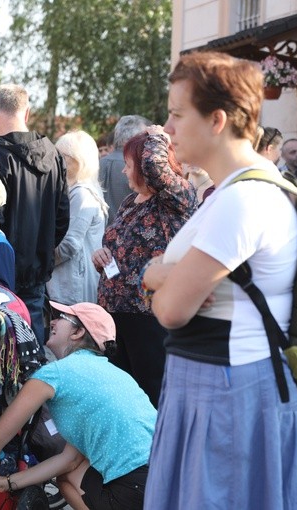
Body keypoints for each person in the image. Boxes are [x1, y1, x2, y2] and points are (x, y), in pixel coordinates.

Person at [141, 51, 297, 509]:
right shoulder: (234, 195)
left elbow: (171, 310)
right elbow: (170, 288)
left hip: (228, 392)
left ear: (217, 119)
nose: (168, 127)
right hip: (215, 386)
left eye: (178, 114)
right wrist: (163, 275)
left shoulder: (245, 201)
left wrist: (158, 275)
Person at [0, 301, 156, 510]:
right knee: (72, 469)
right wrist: (7, 482)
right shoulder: (115, 374)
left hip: (135, 487)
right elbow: (69, 460)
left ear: (78, 332)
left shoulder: (55, 374)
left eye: (61, 318)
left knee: (66, 479)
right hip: (172, 477)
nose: (52, 321)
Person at [91, 127, 196, 408]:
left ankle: (160, 450)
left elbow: (154, 165)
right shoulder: (130, 201)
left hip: (147, 314)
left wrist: (158, 136)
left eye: (128, 165)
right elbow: (118, 246)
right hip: (116, 313)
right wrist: (102, 256)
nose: (124, 173)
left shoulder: (177, 198)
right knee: (123, 395)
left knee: (152, 391)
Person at [0, 83, 70, 347]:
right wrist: (42, 247)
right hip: (37, 266)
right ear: (27, 113)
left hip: (2, 269)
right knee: (31, 339)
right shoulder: (54, 155)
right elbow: (62, 216)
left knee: (2, 344)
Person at [49, 130, 108, 304]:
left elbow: (69, 244)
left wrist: (41, 262)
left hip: (73, 289)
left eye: (60, 156)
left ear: (78, 161)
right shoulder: (78, 191)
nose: (55, 160)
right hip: (71, 285)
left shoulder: (81, 194)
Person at [98, 115, 150, 223]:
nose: (147, 140)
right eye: (145, 136)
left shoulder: (96, 164)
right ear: (136, 138)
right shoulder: (139, 168)